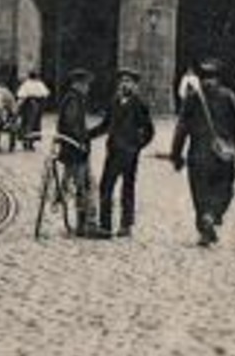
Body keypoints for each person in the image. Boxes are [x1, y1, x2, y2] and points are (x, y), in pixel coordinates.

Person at [170, 58, 235, 247]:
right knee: (225, 190)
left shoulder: (192, 98)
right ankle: (212, 215)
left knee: (200, 194)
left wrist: (176, 154)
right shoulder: (229, 96)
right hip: (223, 155)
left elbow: (181, 128)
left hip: (198, 156)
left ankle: (205, 225)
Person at [98, 67, 156, 237]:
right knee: (106, 186)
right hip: (113, 151)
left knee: (127, 188)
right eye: (122, 81)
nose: (125, 84)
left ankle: (126, 224)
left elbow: (149, 130)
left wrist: (137, 146)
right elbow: (105, 125)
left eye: (129, 82)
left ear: (135, 86)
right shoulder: (114, 102)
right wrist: (87, 135)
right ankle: (105, 225)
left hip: (129, 154)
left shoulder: (139, 104)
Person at [56, 67, 99, 236]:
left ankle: (83, 224)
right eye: (87, 84)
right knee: (85, 186)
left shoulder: (74, 98)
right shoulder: (74, 100)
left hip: (73, 150)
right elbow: (72, 124)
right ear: (79, 84)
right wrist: (81, 141)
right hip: (75, 151)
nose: (88, 88)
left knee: (81, 185)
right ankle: (85, 226)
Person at [16, 70, 51, 150]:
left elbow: (21, 95)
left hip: (27, 104)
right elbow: (46, 94)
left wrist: (19, 106)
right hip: (36, 104)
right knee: (34, 123)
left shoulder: (26, 84)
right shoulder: (39, 84)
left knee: (26, 123)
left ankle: (26, 141)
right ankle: (30, 142)